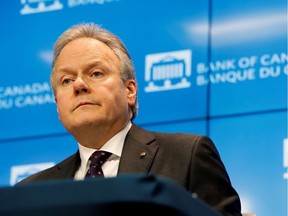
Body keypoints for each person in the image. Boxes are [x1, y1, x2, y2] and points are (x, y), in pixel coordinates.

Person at [17, 22, 242, 215]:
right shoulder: (31, 191)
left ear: (130, 91)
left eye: (96, 73)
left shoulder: (187, 155)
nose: (79, 85)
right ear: (58, 105)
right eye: (66, 80)